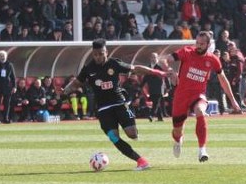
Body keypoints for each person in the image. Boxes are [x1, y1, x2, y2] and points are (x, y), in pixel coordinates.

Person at [63, 39, 168, 170]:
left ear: (106, 52)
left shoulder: (114, 63)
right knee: (113, 137)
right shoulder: (88, 68)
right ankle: (141, 161)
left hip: (119, 103)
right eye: (95, 54)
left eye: (101, 54)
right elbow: (77, 82)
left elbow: (135, 69)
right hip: (103, 109)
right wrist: (66, 90)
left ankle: (130, 117)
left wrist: (159, 72)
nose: (98, 57)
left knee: (132, 135)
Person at [169, 31, 241, 162]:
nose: (198, 45)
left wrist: (233, 101)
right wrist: (171, 71)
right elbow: (168, 59)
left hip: (198, 95)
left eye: (202, 43)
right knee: (177, 130)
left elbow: (223, 79)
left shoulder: (213, 59)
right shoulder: (187, 51)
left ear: (208, 44)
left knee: (200, 111)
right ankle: (178, 140)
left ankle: (202, 150)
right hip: (181, 95)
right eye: (197, 42)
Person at [0, 50, 16, 123]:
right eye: (1, 56)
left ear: (6, 57)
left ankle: (6, 118)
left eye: (3, 56)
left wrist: (14, 86)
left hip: (7, 87)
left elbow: (13, 77)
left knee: (7, 104)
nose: (2, 57)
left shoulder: (10, 65)